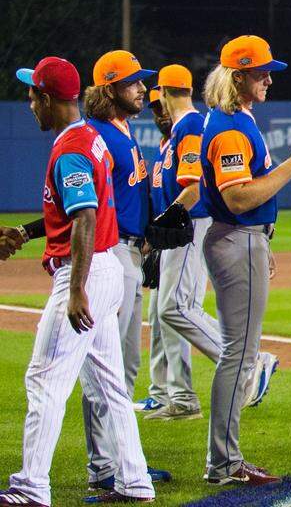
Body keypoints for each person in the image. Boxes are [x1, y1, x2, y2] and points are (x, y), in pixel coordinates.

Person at [0, 57, 157, 505]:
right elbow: (75, 211)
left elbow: (85, 216)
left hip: (84, 272)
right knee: (109, 386)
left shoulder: (71, 147)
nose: (30, 103)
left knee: (45, 380)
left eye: (33, 95)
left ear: (49, 98)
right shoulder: (90, 136)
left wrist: (75, 289)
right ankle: (135, 481)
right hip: (106, 269)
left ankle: (31, 487)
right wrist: (27, 233)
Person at [198, 35, 291, 486]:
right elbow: (239, 197)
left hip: (244, 239)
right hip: (236, 237)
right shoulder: (229, 127)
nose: (269, 78)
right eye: (261, 71)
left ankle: (223, 460)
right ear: (239, 75)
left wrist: (264, 240)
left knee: (239, 354)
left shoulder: (235, 119)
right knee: (240, 357)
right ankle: (224, 463)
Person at [147, 65, 279, 423]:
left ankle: (249, 367)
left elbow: (195, 187)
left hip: (196, 224)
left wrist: (171, 217)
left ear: (161, 93)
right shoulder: (183, 129)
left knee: (175, 307)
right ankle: (173, 394)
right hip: (191, 227)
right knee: (162, 311)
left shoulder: (192, 125)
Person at [83, 50, 166, 488]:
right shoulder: (96, 136)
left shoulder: (122, 129)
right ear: (109, 89)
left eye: (142, 81)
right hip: (111, 253)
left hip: (131, 252)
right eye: (134, 82)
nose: (142, 88)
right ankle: (103, 469)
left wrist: (149, 234)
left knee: (126, 366)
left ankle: (124, 460)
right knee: (104, 366)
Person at [139, 87, 188, 419]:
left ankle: (181, 395)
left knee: (172, 312)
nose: (160, 113)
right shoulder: (163, 147)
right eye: (154, 108)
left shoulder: (183, 142)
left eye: (163, 106)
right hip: (158, 242)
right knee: (157, 317)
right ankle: (160, 393)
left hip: (175, 239)